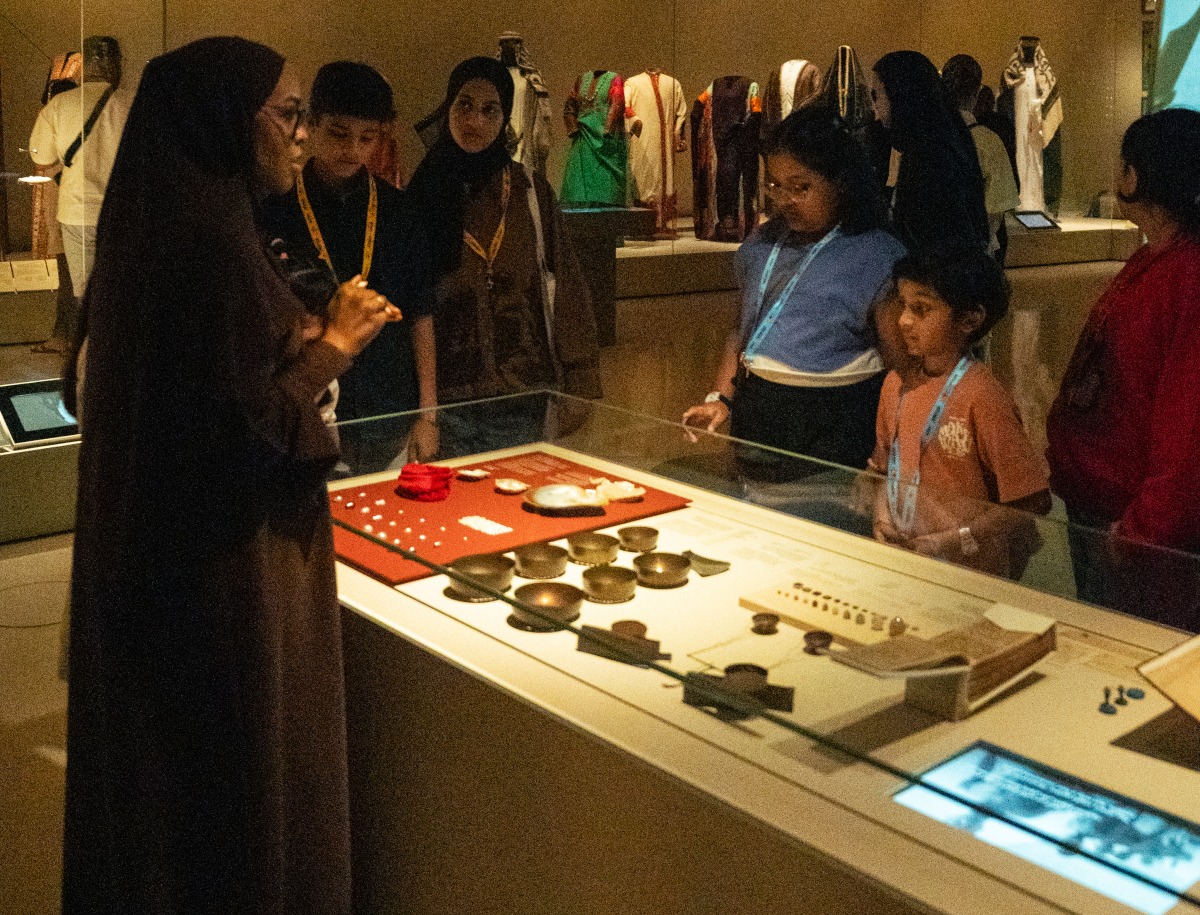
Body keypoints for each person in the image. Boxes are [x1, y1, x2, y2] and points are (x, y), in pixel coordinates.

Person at [61, 37, 400, 914]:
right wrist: (334, 346)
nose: (301, 135)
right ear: (223, 122)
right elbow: (242, 431)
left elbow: (200, 394)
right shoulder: (207, 246)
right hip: (225, 575)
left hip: (171, 568)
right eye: (287, 115)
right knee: (231, 799)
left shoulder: (166, 226)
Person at [682, 105, 906, 480]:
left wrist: (889, 442)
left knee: (826, 506)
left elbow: (898, 363)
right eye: (775, 185)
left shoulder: (877, 255)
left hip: (836, 416)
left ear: (840, 182)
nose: (784, 199)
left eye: (801, 187)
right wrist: (720, 399)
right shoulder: (760, 245)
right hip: (758, 409)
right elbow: (742, 330)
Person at [1047, 108, 1200, 630]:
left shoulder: (1186, 276)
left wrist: (1145, 527)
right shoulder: (1154, 259)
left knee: (1128, 646)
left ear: (1134, 176)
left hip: (1134, 523)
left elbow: (1187, 423)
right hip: (1108, 505)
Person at [405, 56, 601, 455]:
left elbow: (566, 284)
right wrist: (422, 413)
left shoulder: (530, 192)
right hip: (448, 402)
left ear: (505, 116)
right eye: (464, 105)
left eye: (490, 109)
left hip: (522, 395)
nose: (475, 121)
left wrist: (582, 380)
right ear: (447, 108)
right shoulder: (422, 195)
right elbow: (410, 304)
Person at [262, 60, 438, 466]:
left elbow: (421, 314)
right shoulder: (278, 205)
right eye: (339, 134)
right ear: (312, 123)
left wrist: (428, 415)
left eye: (367, 138)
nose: (353, 149)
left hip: (389, 402)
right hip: (311, 398)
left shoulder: (398, 209)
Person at [870, 249, 1050, 579]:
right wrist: (882, 518)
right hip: (910, 560)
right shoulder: (895, 383)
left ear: (969, 320)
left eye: (921, 309)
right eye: (903, 304)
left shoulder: (982, 396)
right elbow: (884, 469)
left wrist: (951, 541)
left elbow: (1032, 502)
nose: (904, 320)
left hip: (970, 572)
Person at [27, 36, 131, 352]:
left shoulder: (59, 106)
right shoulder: (133, 103)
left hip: (77, 211)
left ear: (83, 66)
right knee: (122, 288)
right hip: (123, 211)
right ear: (116, 65)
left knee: (85, 293)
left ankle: (91, 354)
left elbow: (41, 156)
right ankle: (120, 352)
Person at [870, 51, 989, 254]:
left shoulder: (929, 156)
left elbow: (929, 238)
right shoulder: (942, 138)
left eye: (877, 95)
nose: (874, 106)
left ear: (900, 94)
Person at [942, 54, 1019, 262]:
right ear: (977, 93)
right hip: (974, 255)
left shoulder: (923, 138)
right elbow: (996, 210)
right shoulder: (989, 142)